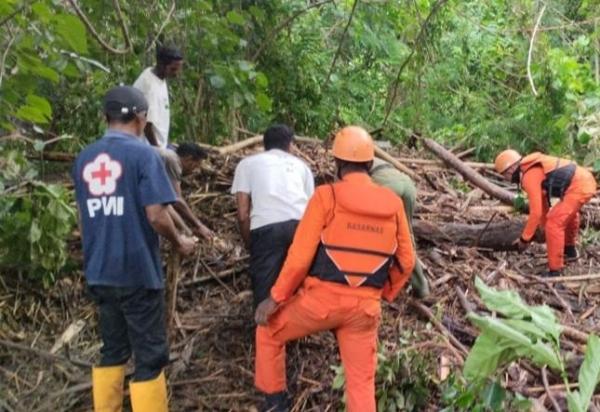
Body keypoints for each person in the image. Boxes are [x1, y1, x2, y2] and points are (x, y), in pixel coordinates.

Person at [254, 126, 416, 412]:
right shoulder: (392, 204)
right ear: (369, 164)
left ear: (338, 164)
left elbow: (299, 258)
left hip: (320, 303)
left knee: (268, 331)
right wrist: (382, 293)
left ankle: (275, 403)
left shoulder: (326, 196)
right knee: (361, 383)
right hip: (365, 308)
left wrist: (275, 298)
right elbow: (407, 260)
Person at [72, 86, 196, 412]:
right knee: (150, 355)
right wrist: (179, 242)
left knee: (112, 350)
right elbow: (156, 215)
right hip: (136, 271)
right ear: (142, 119)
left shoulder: (84, 158)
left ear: (105, 117)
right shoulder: (144, 155)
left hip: (100, 271)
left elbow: (84, 222)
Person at [231, 124, 314, 309]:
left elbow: (243, 214)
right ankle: (294, 332)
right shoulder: (302, 167)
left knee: (264, 288)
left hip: (266, 227)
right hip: (300, 227)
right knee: (295, 284)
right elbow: (311, 211)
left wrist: (251, 244)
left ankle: (265, 334)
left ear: (264, 144)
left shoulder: (247, 164)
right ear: (290, 145)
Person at [495, 149, 597, 276]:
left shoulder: (529, 175)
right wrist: (542, 227)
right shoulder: (532, 168)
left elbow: (535, 212)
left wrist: (525, 239)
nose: (507, 179)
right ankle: (569, 250)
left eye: (505, 175)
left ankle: (555, 271)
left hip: (579, 185)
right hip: (583, 180)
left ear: (509, 170)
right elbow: (542, 203)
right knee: (566, 215)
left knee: (554, 223)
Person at [370, 158, 429, 297]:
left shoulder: (349, 162)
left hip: (388, 187)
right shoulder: (369, 156)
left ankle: (379, 283)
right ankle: (421, 286)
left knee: (379, 236)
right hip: (407, 184)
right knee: (406, 236)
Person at [157, 143, 214, 240]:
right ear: (189, 159)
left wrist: (188, 232)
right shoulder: (173, 160)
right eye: (197, 165)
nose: (195, 170)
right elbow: (177, 200)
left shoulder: (167, 156)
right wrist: (199, 225)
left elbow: (166, 204)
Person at [133, 45, 183, 148]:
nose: (176, 73)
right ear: (161, 64)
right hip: (147, 147)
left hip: (157, 144)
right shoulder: (150, 87)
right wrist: (158, 151)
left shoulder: (157, 76)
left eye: (178, 69)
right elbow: (147, 125)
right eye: (173, 69)